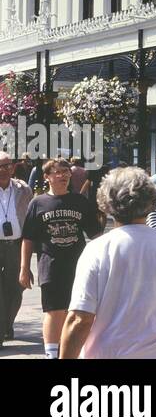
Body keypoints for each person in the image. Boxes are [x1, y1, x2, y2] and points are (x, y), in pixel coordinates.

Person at [59, 167, 156, 359]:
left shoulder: (96, 250)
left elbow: (80, 319)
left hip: (112, 355)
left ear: (106, 203)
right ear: (151, 201)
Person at [19, 158, 101, 358]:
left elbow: (96, 235)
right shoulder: (38, 203)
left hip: (79, 265)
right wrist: (24, 267)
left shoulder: (80, 201)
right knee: (54, 311)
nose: (63, 176)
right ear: (47, 177)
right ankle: (52, 354)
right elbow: (28, 237)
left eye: (66, 172)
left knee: (79, 310)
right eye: (58, 172)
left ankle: (77, 351)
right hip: (50, 264)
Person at [0, 151, 34, 346]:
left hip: (17, 245)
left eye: (7, 165)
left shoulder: (24, 189)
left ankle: (6, 324)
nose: (3, 170)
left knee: (17, 288)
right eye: (0, 166)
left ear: (13, 167)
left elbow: (31, 219)